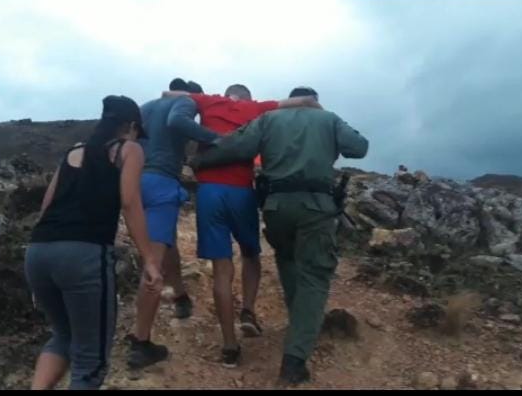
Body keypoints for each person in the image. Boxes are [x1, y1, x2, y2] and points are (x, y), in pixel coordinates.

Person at [192, 87, 369, 384]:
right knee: (314, 275)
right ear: (314, 102)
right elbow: (359, 148)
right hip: (316, 207)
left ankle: (300, 325)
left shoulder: (268, 119)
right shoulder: (329, 119)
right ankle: (294, 360)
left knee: (287, 262)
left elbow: (237, 146)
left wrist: (200, 161)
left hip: (276, 207)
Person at [164, 84, 319, 368]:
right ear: (247, 97)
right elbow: (305, 101)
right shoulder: (257, 107)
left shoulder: (209, 101)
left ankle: (229, 346)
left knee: (221, 269)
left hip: (210, 192)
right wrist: (315, 106)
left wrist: (208, 128)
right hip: (241, 191)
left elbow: (167, 95)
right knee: (250, 254)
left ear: (228, 94)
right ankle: (247, 311)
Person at [24, 95, 163, 390]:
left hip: (38, 252)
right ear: (130, 126)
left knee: (63, 336)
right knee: (90, 360)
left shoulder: (74, 151)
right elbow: (130, 202)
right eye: (137, 132)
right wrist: (150, 259)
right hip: (84, 256)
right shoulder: (129, 150)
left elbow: (46, 205)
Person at [127, 78, 220, 370]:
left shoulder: (145, 107)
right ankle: (141, 343)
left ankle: (180, 296)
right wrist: (216, 138)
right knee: (153, 262)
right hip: (160, 183)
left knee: (167, 243)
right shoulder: (186, 102)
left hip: (133, 181)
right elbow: (178, 121)